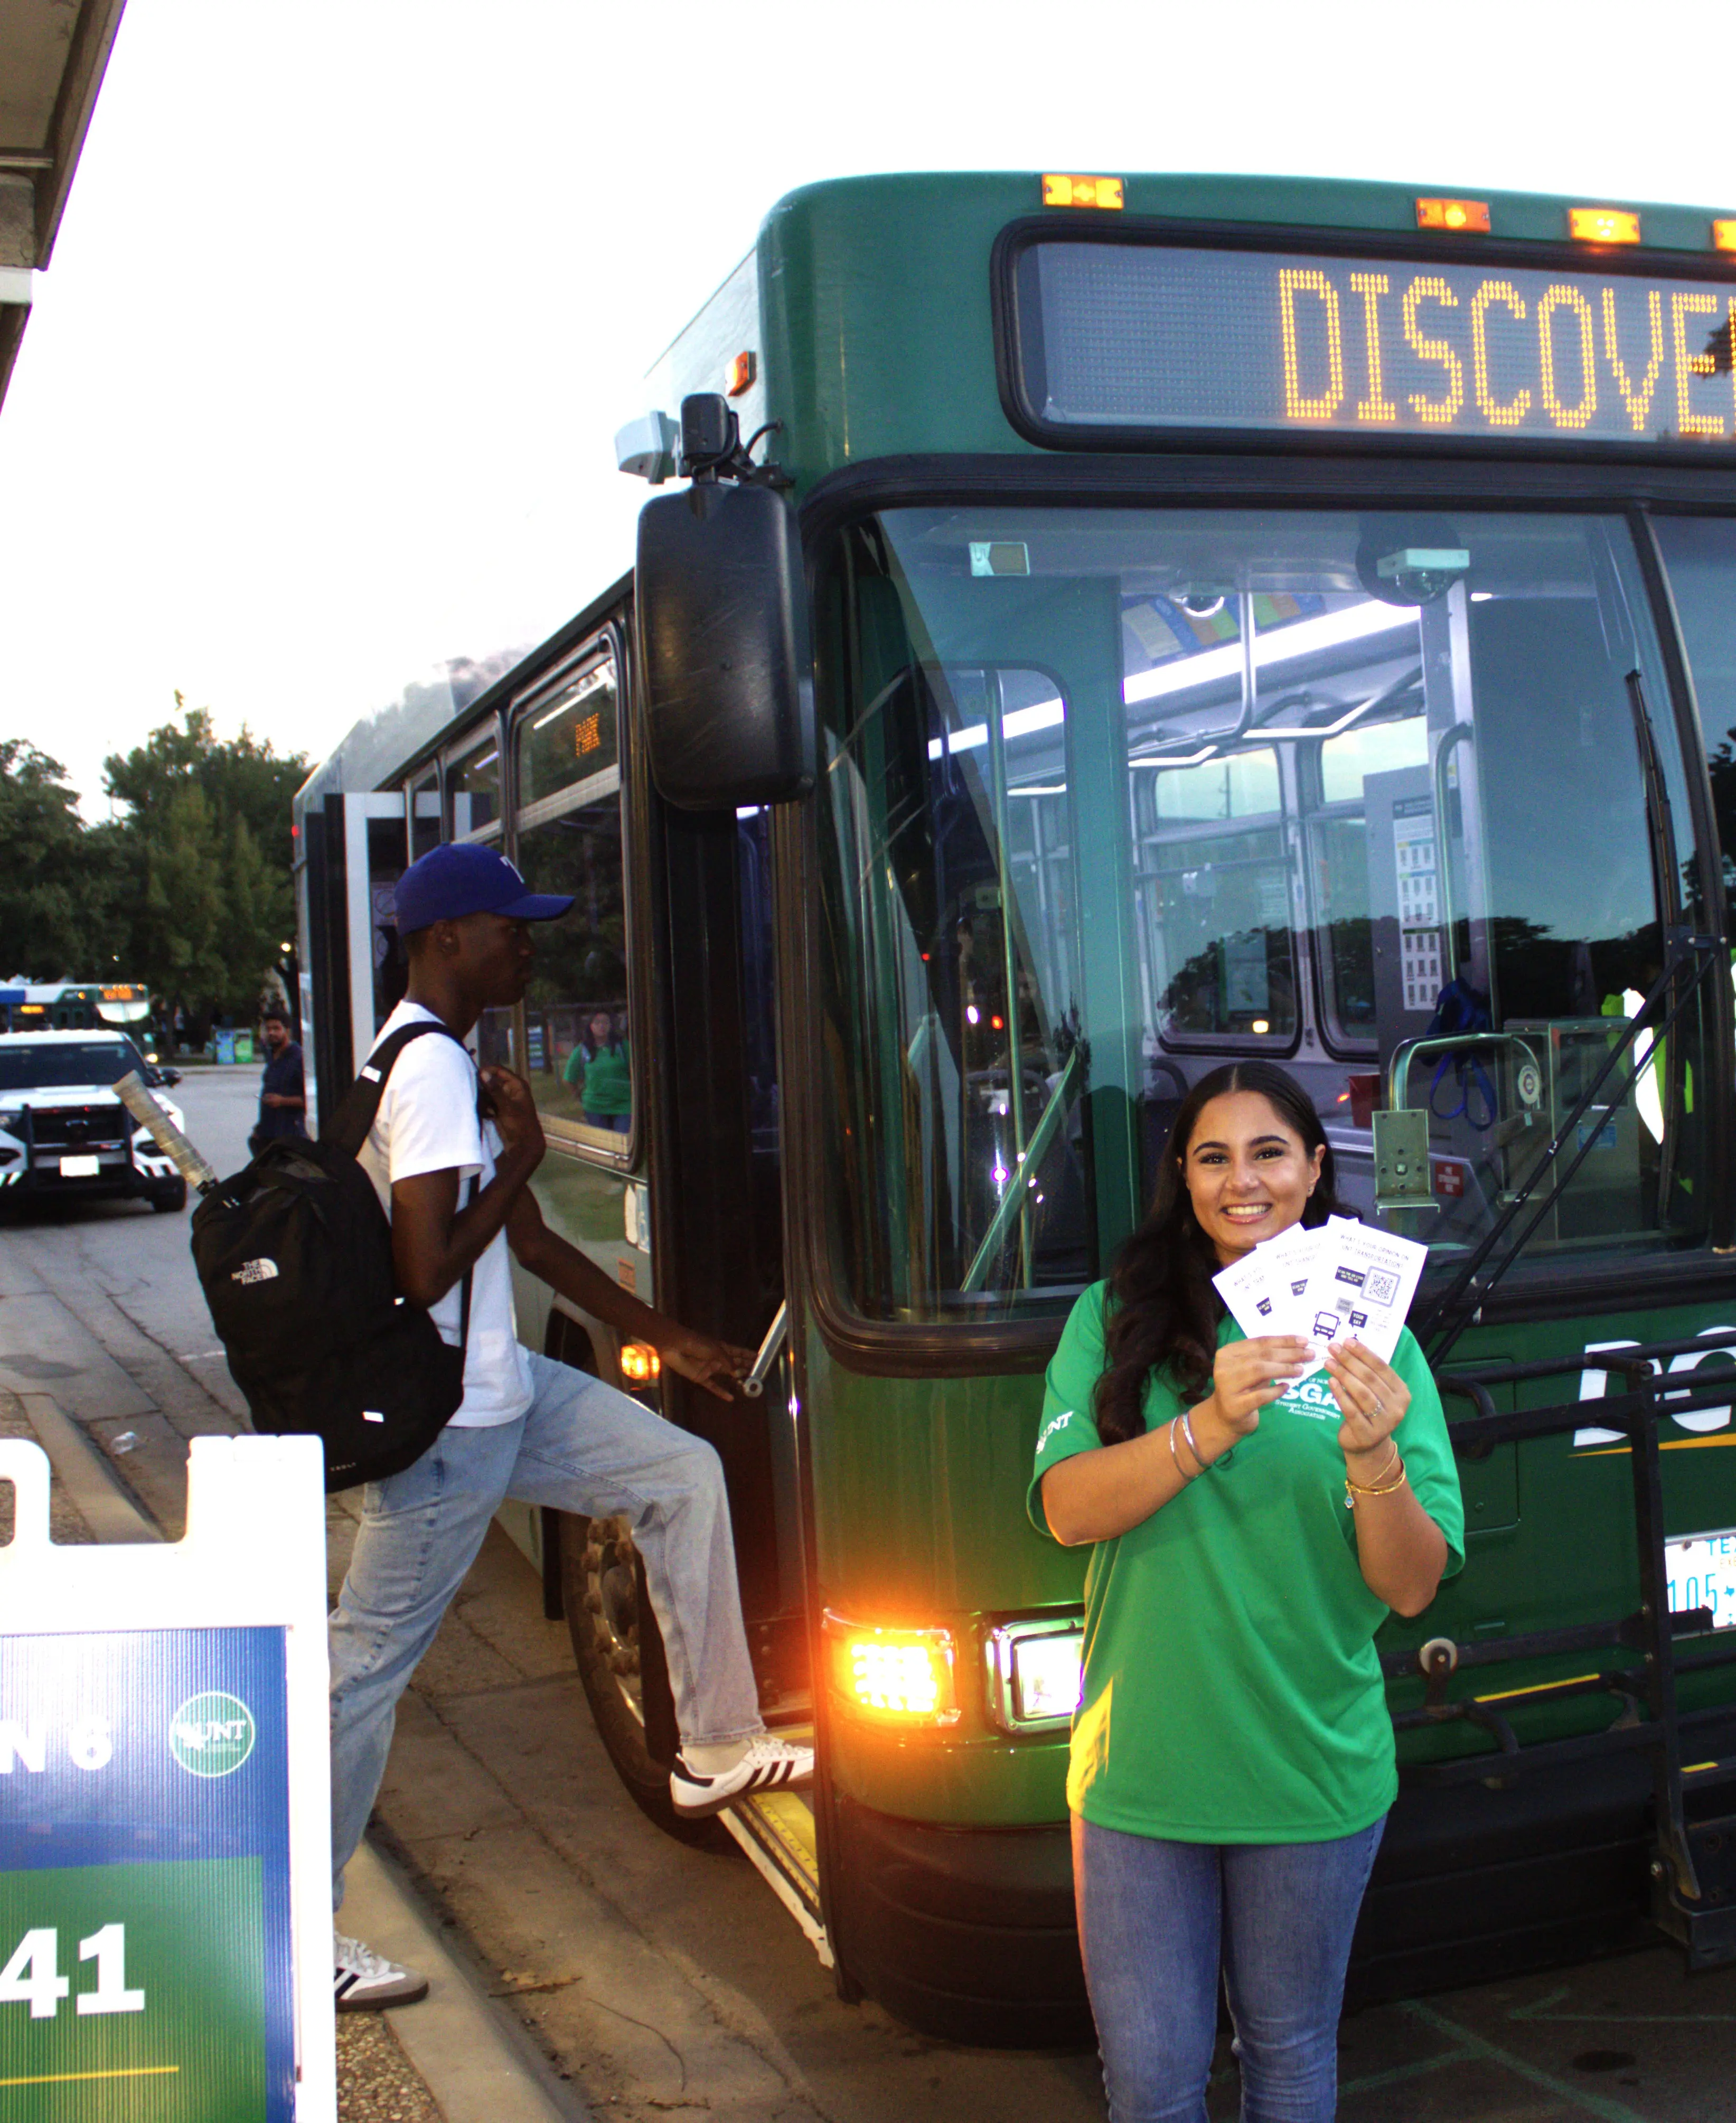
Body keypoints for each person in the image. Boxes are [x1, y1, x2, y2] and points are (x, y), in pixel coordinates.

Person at [330, 841, 811, 2011]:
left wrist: (672, 1336)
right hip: (453, 1424)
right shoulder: (433, 1073)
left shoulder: (428, 1055)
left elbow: (530, 1243)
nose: (530, 943)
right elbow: (432, 1264)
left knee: (679, 1473)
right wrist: (528, 1152)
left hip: (505, 1396)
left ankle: (710, 1747)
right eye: (511, 926)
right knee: (360, 1674)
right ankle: (291, 1932)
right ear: (447, 939)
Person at [1031, 1060, 1462, 2122]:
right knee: (1149, 2088)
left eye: (1267, 1152)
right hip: (1141, 1773)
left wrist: (1372, 1459)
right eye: (1210, 1157)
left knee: (1287, 2062)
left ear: (1313, 1169)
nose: (1241, 1182)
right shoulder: (1111, 1318)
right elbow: (1064, 1511)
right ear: (1181, 1178)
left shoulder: (1379, 1342)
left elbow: (1407, 1589)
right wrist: (1203, 1427)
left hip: (1311, 1770)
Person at [562, 1006, 632, 1131]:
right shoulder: (582, 1050)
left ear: (611, 1025)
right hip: (595, 1108)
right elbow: (568, 1079)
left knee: (622, 1145)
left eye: (606, 1022)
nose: (602, 1026)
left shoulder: (623, 1046)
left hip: (623, 1106)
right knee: (603, 1147)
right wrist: (579, 1096)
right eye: (597, 1023)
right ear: (591, 1026)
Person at [251, 1006, 307, 1153]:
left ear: (287, 1030)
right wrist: (259, 1129)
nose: (271, 1033)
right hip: (268, 1134)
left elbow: (310, 1099)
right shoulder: (271, 1055)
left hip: (290, 1136)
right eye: (268, 1029)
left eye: (276, 1028)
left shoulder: (299, 1058)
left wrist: (282, 1101)